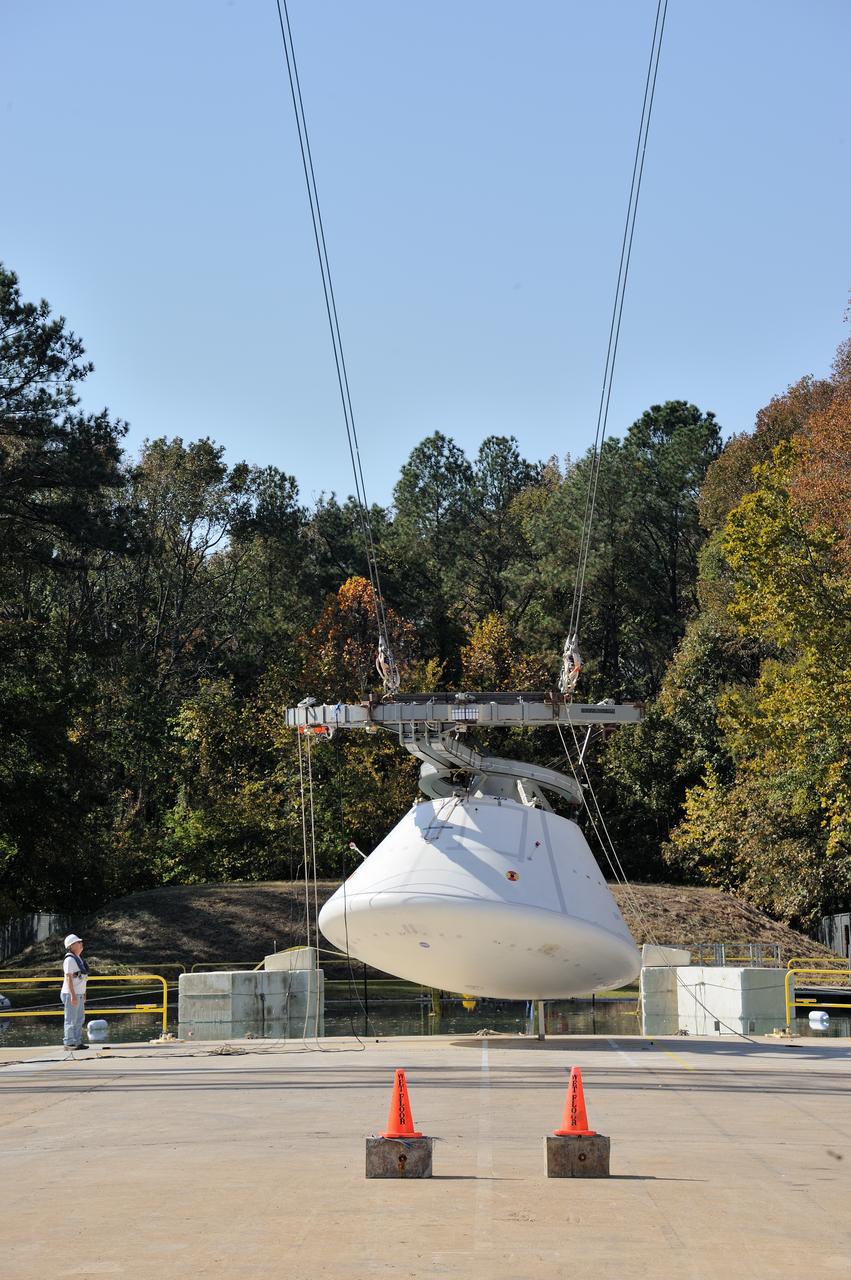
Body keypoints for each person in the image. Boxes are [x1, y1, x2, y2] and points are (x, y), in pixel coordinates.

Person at [61, 933, 89, 1050]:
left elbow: (82, 979)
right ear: (72, 946)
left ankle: (77, 1041)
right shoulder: (69, 960)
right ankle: (68, 1042)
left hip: (79, 994)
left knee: (79, 1019)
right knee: (71, 1019)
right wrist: (72, 995)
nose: (81, 944)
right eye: (78, 942)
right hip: (71, 994)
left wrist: (83, 993)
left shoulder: (79, 959)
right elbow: (69, 978)